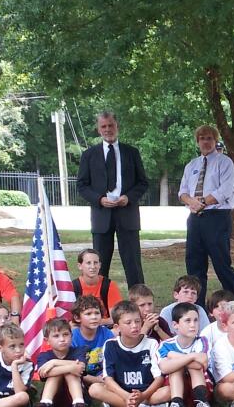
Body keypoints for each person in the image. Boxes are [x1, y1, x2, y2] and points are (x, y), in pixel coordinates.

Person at [77, 111, 148, 287]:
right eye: (103, 126)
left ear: (117, 126)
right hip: (101, 216)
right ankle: (98, 305)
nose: (108, 129)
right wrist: (99, 199)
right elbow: (82, 185)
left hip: (127, 214)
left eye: (110, 125)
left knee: (133, 265)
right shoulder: (89, 155)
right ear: (98, 129)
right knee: (98, 266)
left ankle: (138, 306)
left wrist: (128, 197)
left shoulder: (131, 152)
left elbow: (143, 182)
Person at [179, 125, 234, 306]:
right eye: (202, 139)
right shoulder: (192, 165)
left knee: (222, 264)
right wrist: (191, 202)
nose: (205, 142)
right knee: (194, 266)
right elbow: (182, 192)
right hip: (195, 219)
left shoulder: (225, 162)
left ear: (215, 141)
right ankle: (195, 306)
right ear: (197, 142)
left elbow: (225, 190)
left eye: (209, 138)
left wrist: (203, 202)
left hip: (217, 217)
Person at [89, 301, 170, 407]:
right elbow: (108, 379)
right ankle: (136, 404)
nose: (134, 326)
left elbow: (159, 378)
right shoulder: (110, 345)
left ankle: (137, 403)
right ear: (117, 327)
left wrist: (143, 395)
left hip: (146, 393)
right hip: (122, 393)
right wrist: (126, 396)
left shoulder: (151, 343)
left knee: (169, 391)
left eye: (137, 321)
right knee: (95, 389)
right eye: (128, 323)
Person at [157, 303, 212, 407]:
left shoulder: (202, 341)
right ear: (175, 325)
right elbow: (164, 368)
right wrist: (192, 356)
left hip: (201, 385)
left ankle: (202, 402)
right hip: (174, 388)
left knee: (190, 368)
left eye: (196, 320)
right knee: (175, 369)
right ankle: (176, 403)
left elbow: (199, 365)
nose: (193, 325)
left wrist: (173, 356)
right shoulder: (166, 345)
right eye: (188, 320)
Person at [35, 318, 88, 407]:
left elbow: (81, 367)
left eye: (65, 334)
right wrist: (71, 367)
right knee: (57, 373)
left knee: (70, 373)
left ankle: (79, 403)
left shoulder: (79, 350)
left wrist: (54, 362)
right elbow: (43, 373)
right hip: (54, 398)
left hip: (77, 394)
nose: (62, 339)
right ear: (46, 340)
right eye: (56, 336)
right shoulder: (44, 355)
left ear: (71, 335)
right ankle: (45, 403)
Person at [70, 295, 115, 389]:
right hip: (81, 376)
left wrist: (105, 377)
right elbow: (73, 368)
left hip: (104, 375)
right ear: (77, 318)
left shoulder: (107, 334)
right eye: (88, 314)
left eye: (97, 313)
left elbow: (114, 360)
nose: (94, 317)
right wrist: (96, 380)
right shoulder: (73, 337)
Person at [72, 248, 123, 326]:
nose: (93, 266)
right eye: (88, 263)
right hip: (81, 329)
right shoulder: (73, 287)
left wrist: (94, 323)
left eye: (95, 263)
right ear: (80, 266)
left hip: (105, 328)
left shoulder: (109, 285)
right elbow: (70, 320)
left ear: (100, 265)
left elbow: (116, 318)